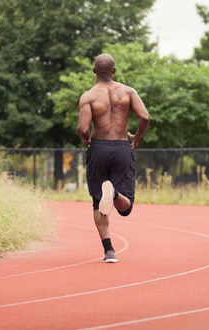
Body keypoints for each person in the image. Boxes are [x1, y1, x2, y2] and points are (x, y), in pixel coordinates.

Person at [77, 53, 150, 263]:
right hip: (121, 147)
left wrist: (85, 140)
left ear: (94, 72)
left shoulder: (88, 96)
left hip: (98, 147)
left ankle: (109, 251)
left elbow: (83, 128)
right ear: (114, 71)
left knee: (99, 202)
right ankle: (116, 192)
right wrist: (136, 137)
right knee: (125, 208)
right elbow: (144, 117)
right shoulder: (128, 92)